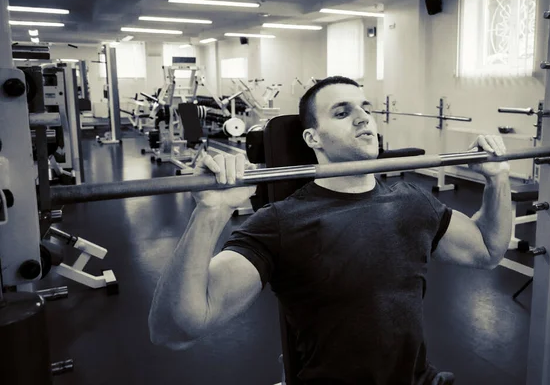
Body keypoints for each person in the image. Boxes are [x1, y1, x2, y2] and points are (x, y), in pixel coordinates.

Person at [148, 76, 512, 385]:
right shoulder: (281, 222)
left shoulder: (412, 202)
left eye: (365, 108)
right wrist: (211, 212)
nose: (363, 118)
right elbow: (175, 330)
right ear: (313, 139)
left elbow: (487, 250)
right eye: (342, 112)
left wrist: (498, 179)